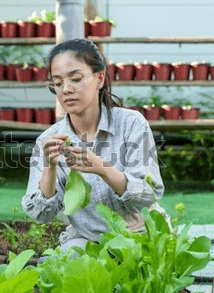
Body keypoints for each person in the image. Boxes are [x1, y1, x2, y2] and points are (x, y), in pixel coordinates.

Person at [21, 38, 167, 254]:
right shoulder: (49, 140)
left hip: (140, 236)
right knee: (67, 267)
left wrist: (101, 167)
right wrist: (49, 168)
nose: (66, 89)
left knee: (137, 277)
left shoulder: (131, 124)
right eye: (58, 83)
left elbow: (149, 194)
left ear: (99, 78)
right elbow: (42, 214)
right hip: (87, 240)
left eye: (76, 79)